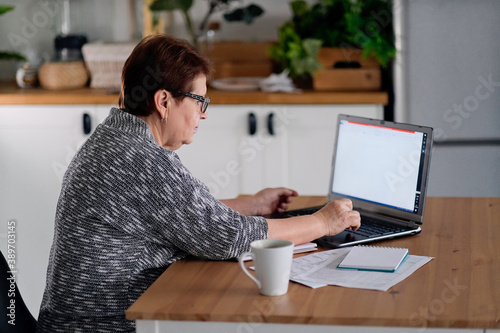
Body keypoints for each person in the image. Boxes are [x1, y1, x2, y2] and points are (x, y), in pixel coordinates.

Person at [37, 34, 360, 332]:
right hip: (103, 325)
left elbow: (173, 217)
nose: (204, 114)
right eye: (199, 101)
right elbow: (228, 238)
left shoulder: (119, 137)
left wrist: (251, 206)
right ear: (164, 101)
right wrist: (323, 221)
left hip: (81, 318)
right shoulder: (140, 159)